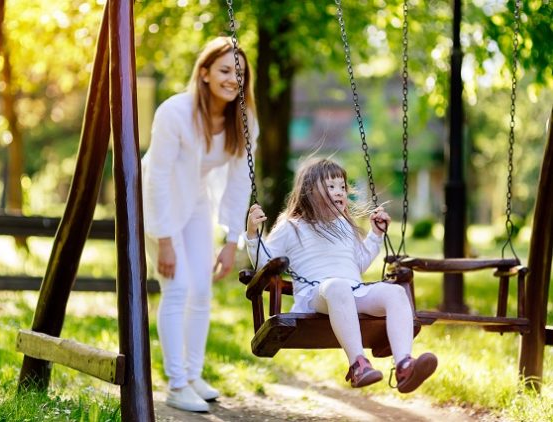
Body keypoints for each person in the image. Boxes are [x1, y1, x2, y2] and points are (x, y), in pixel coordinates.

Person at [245, 158, 437, 393]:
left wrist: (375, 235)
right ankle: (358, 364)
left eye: (342, 187)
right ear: (309, 192)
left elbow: (357, 264)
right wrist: (253, 234)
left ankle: (404, 365)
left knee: (395, 293)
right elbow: (265, 263)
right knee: (337, 287)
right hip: (315, 297)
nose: (340, 192)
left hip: (352, 291)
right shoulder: (290, 226)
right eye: (331, 186)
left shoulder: (345, 225)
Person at [142, 36, 258, 412]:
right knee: (177, 288)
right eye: (225, 70)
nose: (232, 80)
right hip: (159, 201)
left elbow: (241, 182)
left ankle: (192, 375)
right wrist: (163, 239)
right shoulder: (174, 112)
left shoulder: (243, 119)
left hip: (195, 202)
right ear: (205, 73)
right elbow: (158, 177)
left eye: (239, 74)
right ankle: (176, 384)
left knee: (202, 291)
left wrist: (230, 241)